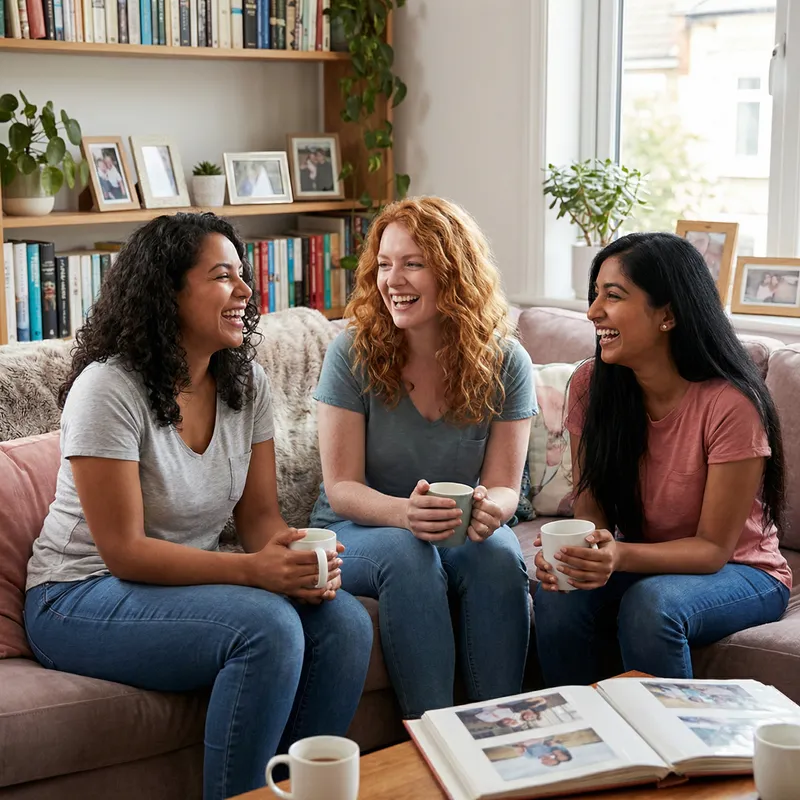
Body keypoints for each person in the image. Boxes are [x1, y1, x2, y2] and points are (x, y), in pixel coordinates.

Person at [23, 213, 373, 800]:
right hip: (78, 593)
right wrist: (253, 573)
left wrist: (294, 559)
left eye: (243, 276)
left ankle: (295, 793)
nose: (244, 291)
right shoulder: (108, 389)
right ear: (168, 291)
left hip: (178, 586)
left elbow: (259, 518)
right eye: (222, 277)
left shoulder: (245, 382)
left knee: (344, 623)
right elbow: (124, 552)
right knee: (267, 629)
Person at [310, 196, 536, 719]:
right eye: (385, 264)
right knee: (409, 555)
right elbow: (341, 485)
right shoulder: (353, 352)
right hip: (359, 526)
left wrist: (492, 510)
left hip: (455, 529)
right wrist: (404, 514)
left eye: (413, 263)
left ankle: (500, 738)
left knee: (500, 556)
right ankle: (432, 743)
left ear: (454, 274)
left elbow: (504, 485)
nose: (393, 279)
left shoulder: (506, 361)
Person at [533, 232, 791, 686]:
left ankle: (676, 755)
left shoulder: (730, 404)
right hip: (652, 562)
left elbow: (713, 550)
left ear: (667, 314)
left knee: (652, 604)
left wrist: (619, 556)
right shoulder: (591, 386)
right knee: (558, 592)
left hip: (742, 571)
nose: (593, 312)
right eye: (595, 295)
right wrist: (581, 554)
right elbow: (591, 505)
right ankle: (579, 738)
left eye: (613, 296)